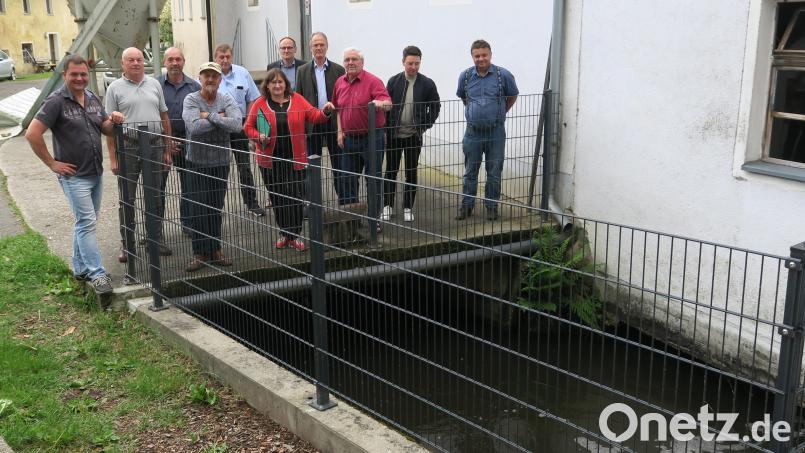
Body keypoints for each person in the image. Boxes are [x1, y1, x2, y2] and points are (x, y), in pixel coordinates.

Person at [26, 54, 122, 295]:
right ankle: (97, 274)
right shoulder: (56, 101)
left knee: (86, 223)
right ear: (64, 75)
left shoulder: (91, 98)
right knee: (87, 223)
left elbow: (105, 129)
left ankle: (80, 268)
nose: (79, 78)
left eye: (83, 74)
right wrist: (52, 163)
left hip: (95, 172)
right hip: (74, 176)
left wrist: (114, 120)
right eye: (74, 74)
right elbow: (32, 134)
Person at [244, 69, 334, 251]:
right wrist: (258, 136)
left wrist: (326, 112)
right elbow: (248, 127)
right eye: (273, 82)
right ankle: (284, 233)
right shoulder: (260, 103)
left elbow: (314, 115)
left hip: (296, 159)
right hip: (269, 160)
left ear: (286, 84)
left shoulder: (298, 99)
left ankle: (294, 235)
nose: (277, 85)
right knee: (277, 197)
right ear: (267, 86)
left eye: (280, 82)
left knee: (295, 197)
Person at [105, 47, 173, 262]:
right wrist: (113, 157)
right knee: (128, 198)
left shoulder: (154, 84)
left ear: (144, 62)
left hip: (154, 146)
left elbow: (164, 118)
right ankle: (128, 245)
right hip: (128, 147)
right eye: (131, 60)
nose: (136, 63)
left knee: (155, 196)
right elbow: (108, 127)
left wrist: (167, 148)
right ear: (123, 64)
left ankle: (155, 238)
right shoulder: (114, 88)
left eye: (139, 60)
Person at [182, 62, 243, 271]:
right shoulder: (191, 99)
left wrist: (209, 115)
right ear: (200, 78)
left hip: (220, 162)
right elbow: (193, 127)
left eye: (214, 76)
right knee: (199, 209)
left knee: (215, 208)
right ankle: (199, 252)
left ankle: (215, 249)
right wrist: (221, 118)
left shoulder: (226, 98)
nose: (210, 79)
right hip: (197, 163)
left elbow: (237, 125)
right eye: (206, 75)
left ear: (220, 79)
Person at [455, 39, 518, 221]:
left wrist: (499, 112)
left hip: (495, 133)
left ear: (490, 55)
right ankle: (466, 206)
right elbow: (464, 97)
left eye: (484, 55)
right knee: (470, 172)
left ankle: (491, 206)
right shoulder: (465, 76)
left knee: (494, 172)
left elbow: (512, 96)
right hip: (472, 132)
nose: (481, 59)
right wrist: (476, 113)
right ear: (472, 57)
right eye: (477, 56)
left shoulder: (503, 75)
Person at [332, 47, 392, 232]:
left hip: (372, 138)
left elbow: (388, 103)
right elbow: (337, 109)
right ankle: (352, 220)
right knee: (347, 179)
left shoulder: (373, 81)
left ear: (362, 62)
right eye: (347, 60)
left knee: (373, 180)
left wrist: (380, 104)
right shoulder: (339, 82)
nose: (350, 63)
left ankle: (374, 220)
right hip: (349, 139)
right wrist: (340, 132)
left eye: (354, 59)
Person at [382, 45, 441, 223]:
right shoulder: (393, 81)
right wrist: (386, 128)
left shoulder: (427, 84)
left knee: (411, 172)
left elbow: (436, 107)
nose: (413, 67)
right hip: (394, 136)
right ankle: (387, 206)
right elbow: (385, 105)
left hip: (414, 136)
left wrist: (424, 125)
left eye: (417, 63)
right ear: (403, 62)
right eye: (410, 63)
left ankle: (407, 207)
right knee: (390, 171)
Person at [295, 32, 347, 204]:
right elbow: (298, 98)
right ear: (311, 48)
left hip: (333, 123)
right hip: (312, 124)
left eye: (321, 44)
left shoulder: (338, 70)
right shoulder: (302, 71)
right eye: (315, 45)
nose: (318, 48)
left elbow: (342, 97)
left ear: (327, 46)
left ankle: (344, 200)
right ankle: (313, 203)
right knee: (312, 165)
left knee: (339, 164)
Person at [214, 43, 265, 216]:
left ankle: (252, 204)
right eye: (221, 57)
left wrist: (248, 122)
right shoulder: (210, 74)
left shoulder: (242, 73)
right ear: (216, 58)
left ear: (232, 56)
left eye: (228, 56)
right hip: (218, 126)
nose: (225, 60)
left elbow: (253, 99)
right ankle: (216, 206)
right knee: (219, 167)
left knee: (244, 166)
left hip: (240, 124)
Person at [156, 47, 201, 235]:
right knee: (157, 187)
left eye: (178, 59)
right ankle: (155, 230)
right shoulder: (154, 85)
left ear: (183, 61)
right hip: (160, 143)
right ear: (164, 63)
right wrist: (166, 141)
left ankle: (188, 224)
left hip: (187, 142)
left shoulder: (194, 86)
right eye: (171, 59)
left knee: (189, 185)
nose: (175, 63)